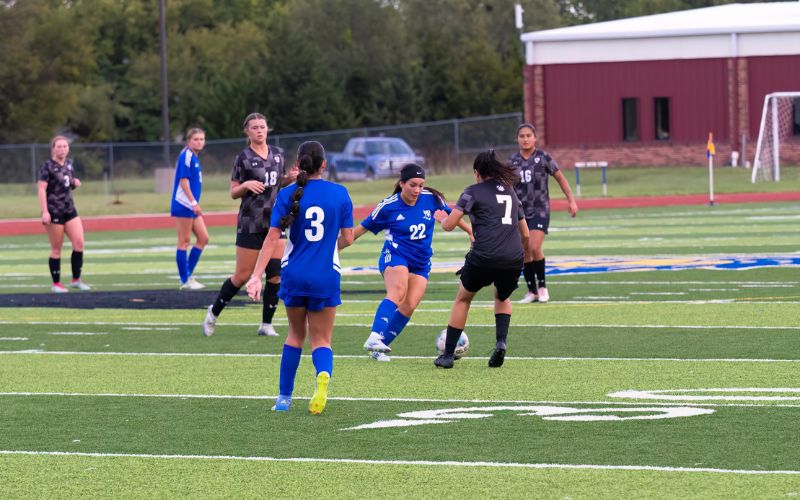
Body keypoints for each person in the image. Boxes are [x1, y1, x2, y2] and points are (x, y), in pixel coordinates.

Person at [246, 141, 354, 414]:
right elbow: (348, 239)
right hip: (325, 275)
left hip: (294, 274)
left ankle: (284, 398)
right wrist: (327, 245)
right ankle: (322, 376)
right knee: (322, 340)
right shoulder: (340, 193)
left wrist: (256, 276)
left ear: (298, 164)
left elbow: (272, 238)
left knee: (295, 335)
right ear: (324, 165)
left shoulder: (286, 194)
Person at [353, 164, 472, 362]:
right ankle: (374, 337)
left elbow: (452, 215)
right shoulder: (388, 206)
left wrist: (469, 231)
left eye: (420, 185)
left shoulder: (431, 198)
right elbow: (360, 229)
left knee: (409, 305)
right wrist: (334, 249)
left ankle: (379, 349)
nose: (417, 190)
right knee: (398, 292)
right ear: (401, 184)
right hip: (395, 255)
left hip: (421, 262)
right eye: (412, 185)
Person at [203, 113, 296, 337]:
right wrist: (245, 184)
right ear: (247, 131)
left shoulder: (278, 154)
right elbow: (234, 192)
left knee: (276, 274)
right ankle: (213, 313)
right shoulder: (242, 158)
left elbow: (277, 182)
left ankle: (266, 324)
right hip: (250, 222)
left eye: (262, 127)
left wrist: (290, 178)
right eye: (254, 127)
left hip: (275, 221)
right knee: (243, 275)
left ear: (267, 129)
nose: (259, 130)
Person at [435, 150, 529, 369]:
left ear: (477, 173)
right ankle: (501, 343)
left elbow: (449, 225)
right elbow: (525, 234)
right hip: (513, 257)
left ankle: (447, 355)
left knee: (463, 299)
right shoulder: (510, 192)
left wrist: (441, 219)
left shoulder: (472, 192)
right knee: (502, 297)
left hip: (484, 255)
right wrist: (516, 255)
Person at [508, 123, 577, 304]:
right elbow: (505, 187)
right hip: (519, 212)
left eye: (528, 135)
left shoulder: (543, 157)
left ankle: (543, 287)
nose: (525, 139)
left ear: (535, 138)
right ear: (517, 139)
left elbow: (560, 178)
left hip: (540, 209)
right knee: (524, 251)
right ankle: (532, 292)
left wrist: (571, 200)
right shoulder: (512, 161)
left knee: (534, 246)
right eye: (522, 136)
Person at [37, 136, 90, 293]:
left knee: (79, 244)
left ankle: (76, 279)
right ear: (53, 148)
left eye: (65, 146)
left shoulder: (68, 165)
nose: (62, 149)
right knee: (56, 249)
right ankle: (56, 284)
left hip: (69, 209)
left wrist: (75, 183)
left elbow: (68, 184)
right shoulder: (47, 166)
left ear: (68, 149)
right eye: (59, 146)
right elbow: (41, 189)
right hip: (54, 210)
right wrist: (45, 211)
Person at [170, 127, 208, 290]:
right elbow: (183, 182)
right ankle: (185, 280)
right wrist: (194, 203)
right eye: (196, 139)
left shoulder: (194, 156)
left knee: (203, 238)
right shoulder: (186, 155)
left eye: (201, 139)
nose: (199, 142)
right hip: (184, 204)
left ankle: (187, 275)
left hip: (190, 205)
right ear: (188, 141)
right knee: (184, 241)